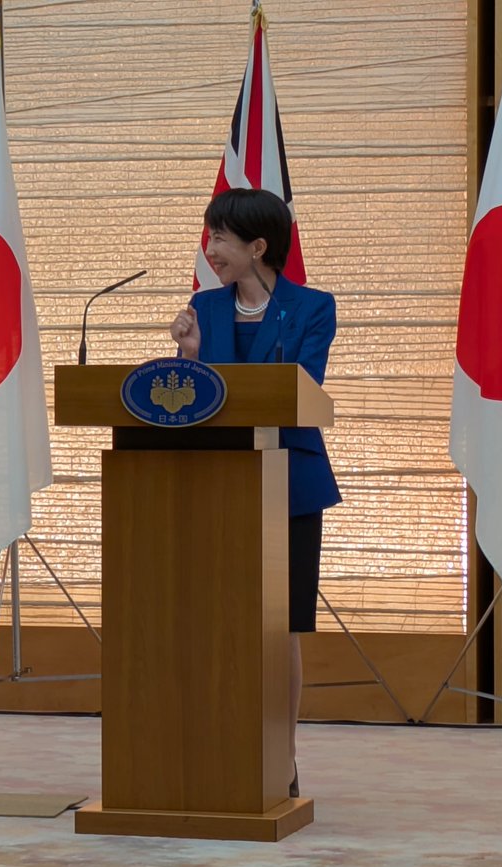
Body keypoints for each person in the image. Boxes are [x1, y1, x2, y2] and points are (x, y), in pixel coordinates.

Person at [169, 187, 340, 799]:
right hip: (215, 481)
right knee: (217, 620)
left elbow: (299, 386)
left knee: (281, 625)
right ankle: (216, 744)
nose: (209, 249)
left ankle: (282, 757)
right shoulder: (204, 307)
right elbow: (195, 400)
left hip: (289, 482)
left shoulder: (314, 306)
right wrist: (188, 357)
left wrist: (213, 371)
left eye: (220, 237)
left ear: (258, 246)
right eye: (209, 235)